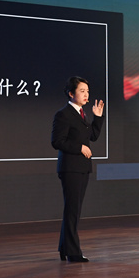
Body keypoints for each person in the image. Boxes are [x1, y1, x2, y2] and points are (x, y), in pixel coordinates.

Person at [51, 76, 104, 262]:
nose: (86, 94)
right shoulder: (63, 114)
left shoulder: (82, 114)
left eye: (87, 91)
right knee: (72, 210)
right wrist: (79, 147)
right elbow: (57, 141)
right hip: (70, 168)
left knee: (74, 210)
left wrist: (98, 117)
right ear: (71, 93)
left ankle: (64, 248)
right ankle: (73, 253)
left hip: (82, 167)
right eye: (82, 91)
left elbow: (93, 136)